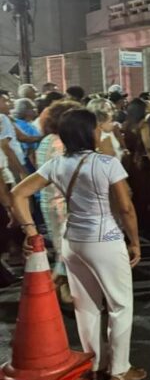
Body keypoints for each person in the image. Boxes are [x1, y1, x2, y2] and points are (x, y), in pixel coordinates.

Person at [10, 108, 146, 380]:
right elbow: (126, 207)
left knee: (86, 306)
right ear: (88, 132)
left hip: (72, 240)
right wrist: (134, 241)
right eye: (95, 128)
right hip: (106, 239)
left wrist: (30, 230)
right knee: (120, 304)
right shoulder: (107, 163)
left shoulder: (56, 164)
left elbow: (18, 193)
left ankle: (94, 366)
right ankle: (119, 370)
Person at [36, 100, 81, 302]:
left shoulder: (46, 140)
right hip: (62, 202)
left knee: (62, 248)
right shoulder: (61, 143)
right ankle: (50, 293)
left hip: (49, 201)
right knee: (68, 250)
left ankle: (61, 291)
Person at [123, 99, 150, 241]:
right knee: (148, 196)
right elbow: (149, 148)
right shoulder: (143, 125)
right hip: (143, 165)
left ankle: (136, 227)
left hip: (130, 164)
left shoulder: (126, 125)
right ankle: (149, 229)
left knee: (136, 196)